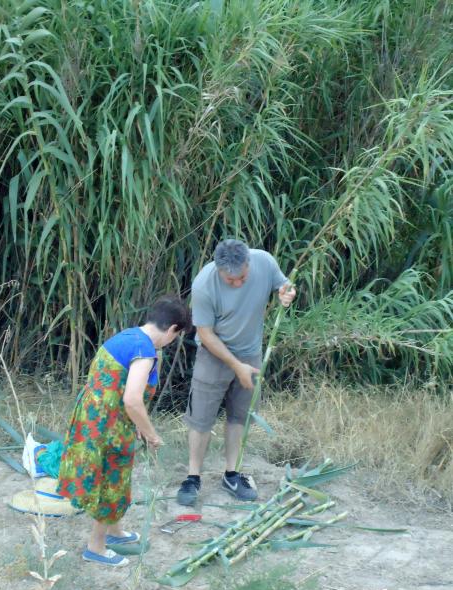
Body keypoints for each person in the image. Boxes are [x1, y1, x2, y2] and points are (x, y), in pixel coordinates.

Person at [58, 295, 192, 566]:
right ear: (172, 329)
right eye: (176, 336)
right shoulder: (145, 352)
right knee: (112, 484)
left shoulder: (128, 336)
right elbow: (132, 400)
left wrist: (138, 426)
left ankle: (115, 531)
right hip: (109, 427)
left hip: (92, 418)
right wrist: (151, 434)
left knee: (117, 480)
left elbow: (118, 389)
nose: (173, 341)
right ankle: (96, 548)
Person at [177, 239, 296, 506]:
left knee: (240, 416)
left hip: (250, 354)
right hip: (213, 354)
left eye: (243, 277)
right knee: (201, 419)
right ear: (219, 270)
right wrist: (235, 365)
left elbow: (285, 285)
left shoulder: (264, 261)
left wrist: (286, 293)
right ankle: (192, 477)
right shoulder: (204, 284)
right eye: (231, 280)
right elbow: (206, 334)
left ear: (248, 263)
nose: (238, 283)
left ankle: (232, 474)